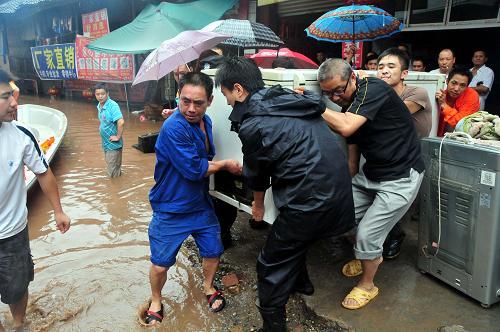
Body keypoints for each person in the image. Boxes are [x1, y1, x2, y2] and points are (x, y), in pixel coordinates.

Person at [215, 57, 355, 331]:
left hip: (310, 200)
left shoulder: (254, 124)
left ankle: (273, 326)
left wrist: (257, 205)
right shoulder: (284, 96)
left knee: (269, 263)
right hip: (337, 190)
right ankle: (302, 283)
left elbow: (257, 174)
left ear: (240, 90)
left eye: (226, 95)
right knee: (290, 238)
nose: (228, 102)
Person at [318, 58, 425, 310]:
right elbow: (353, 144)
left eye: (338, 90)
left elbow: (345, 127)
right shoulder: (352, 103)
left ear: (353, 77)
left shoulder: (372, 88)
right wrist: (350, 177)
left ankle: (368, 284)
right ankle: (368, 254)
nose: (334, 98)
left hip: (400, 177)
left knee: (368, 234)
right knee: (340, 217)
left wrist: (314, 105)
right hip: (372, 174)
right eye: (327, 94)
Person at [145, 72, 242, 325]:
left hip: (199, 203)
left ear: (210, 100)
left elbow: (207, 152)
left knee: (213, 250)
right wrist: (226, 165)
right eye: (185, 101)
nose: (190, 108)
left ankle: (208, 286)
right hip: (171, 207)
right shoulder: (174, 127)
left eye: (197, 103)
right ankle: (156, 300)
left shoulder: (206, 121)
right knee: (160, 264)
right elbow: (194, 169)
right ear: (178, 97)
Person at [0, 69, 71, 331]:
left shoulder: (20, 134)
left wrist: (58, 211)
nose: (15, 103)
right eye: (6, 97)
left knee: (17, 288)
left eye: (13, 96)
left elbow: (43, 173)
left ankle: (19, 323)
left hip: (12, 232)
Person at [375, 48, 432, 259]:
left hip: (412, 159)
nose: (384, 71)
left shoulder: (416, 93)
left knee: (401, 207)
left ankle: (396, 236)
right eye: (380, 67)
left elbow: (395, 114)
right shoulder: (378, 92)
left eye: (391, 67)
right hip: (389, 156)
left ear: (404, 73)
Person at [436, 66, 480, 136]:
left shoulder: (472, 96)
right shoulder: (439, 92)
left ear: (467, 86)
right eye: (454, 83)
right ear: (447, 81)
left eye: (462, 85)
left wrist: (444, 105)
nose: (456, 89)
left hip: (462, 137)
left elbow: (460, 123)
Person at [94, 83, 125, 178]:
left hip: (113, 145)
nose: (100, 96)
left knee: (112, 174)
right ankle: (119, 186)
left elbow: (121, 122)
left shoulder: (112, 106)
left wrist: (118, 137)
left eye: (102, 94)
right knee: (115, 170)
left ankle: (114, 191)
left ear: (107, 93)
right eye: (97, 94)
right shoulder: (100, 105)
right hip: (106, 143)